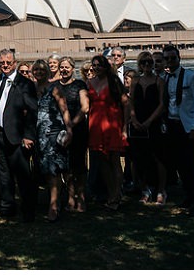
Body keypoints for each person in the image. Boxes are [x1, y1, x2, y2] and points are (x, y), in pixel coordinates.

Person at [0, 49, 38, 222]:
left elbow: (33, 111)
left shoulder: (24, 83)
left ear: (15, 63)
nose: (5, 65)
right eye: (2, 62)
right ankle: (8, 208)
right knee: (3, 175)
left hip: (17, 137)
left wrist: (28, 136)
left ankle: (28, 211)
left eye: (8, 63)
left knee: (23, 175)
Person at [161, 45, 194, 217]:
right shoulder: (165, 78)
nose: (170, 61)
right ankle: (187, 195)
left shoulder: (191, 76)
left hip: (187, 127)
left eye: (173, 58)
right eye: (167, 58)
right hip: (172, 125)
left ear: (179, 58)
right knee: (178, 163)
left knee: (191, 165)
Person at [30, 59, 72, 221]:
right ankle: (53, 201)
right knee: (44, 169)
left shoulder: (54, 88)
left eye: (42, 70)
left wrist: (69, 130)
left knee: (54, 169)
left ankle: (54, 206)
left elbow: (64, 109)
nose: (39, 72)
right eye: (36, 70)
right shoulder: (31, 89)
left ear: (47, 71)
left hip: (53, 133)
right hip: (37, 134)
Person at [87, 54, 128, 211]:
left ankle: (117, 195)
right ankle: (111, 193)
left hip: (112, 124)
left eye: (99, 65)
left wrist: (124, 127)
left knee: (114, 161)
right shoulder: (89, 82)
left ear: (105, 66)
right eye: (94, 65)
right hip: (96, 125)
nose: (96, 68)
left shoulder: (113, 81)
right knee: (102, 161)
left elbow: (126, 103)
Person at [128, 52, 167, 205]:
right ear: (139, 64)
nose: (146, 65)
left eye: (149, 62)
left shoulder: (159, 81)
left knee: (158, 157)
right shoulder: (135, 80)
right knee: (139, 158)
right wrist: (134, 119)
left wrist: (150, 121)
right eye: (143, 62)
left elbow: (162, 104)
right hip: (138, 123)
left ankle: (161, 190)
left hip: (153, 123)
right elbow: (131, 101)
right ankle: (145, 189)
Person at [56, 56, 90, 212]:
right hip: (61, 131)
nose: (63, 70)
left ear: (72, 68)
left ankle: (81, 197)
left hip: (78, 129)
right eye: (61, 67)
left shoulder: (79, 85)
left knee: (79, 165)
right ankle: (70, 198)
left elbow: (85, 108)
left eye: (66, 67)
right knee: (66, 166)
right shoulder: (56, 86)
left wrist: (72, 124)